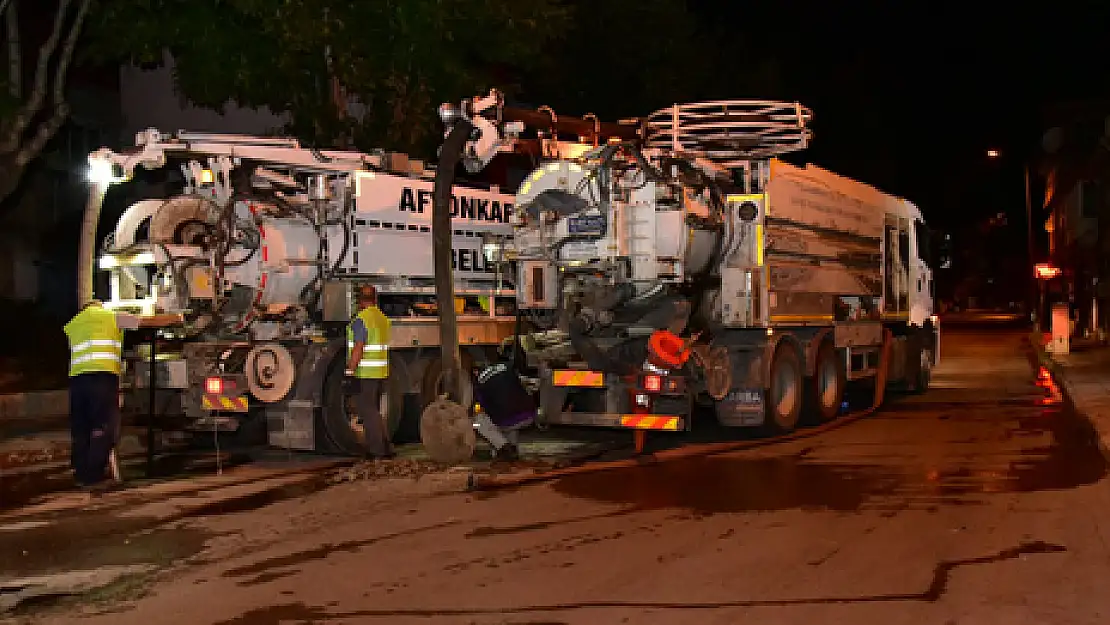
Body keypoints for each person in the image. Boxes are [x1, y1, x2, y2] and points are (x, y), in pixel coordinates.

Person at [63, 299, 138, 490]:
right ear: (100, 307)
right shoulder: (111, 317)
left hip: (78, 380)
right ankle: (93, 474)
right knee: (105, 427)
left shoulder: (73, 324)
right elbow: (143, 322)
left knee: (82, 429)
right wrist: (176, 317)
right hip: (102, 378)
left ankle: (81, 473)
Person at [345, 285, 395, 459]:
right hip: (381, 372)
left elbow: (359, 347)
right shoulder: (381, 318)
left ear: (360, 301)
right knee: (374, 410)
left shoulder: (362, 319)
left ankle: (377, 451)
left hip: (366, 373)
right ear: (375, 299)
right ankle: (387, 447)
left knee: (368, 411)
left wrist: (349, 370)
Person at [472, 354, 536, 461]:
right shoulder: (507, 366)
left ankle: (504, 448)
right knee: (510, 417)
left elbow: (480, 405)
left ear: (476, 371)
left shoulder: (480, 381)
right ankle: (512, 447)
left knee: (478, 421)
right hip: (529, 415)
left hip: (507, 420)